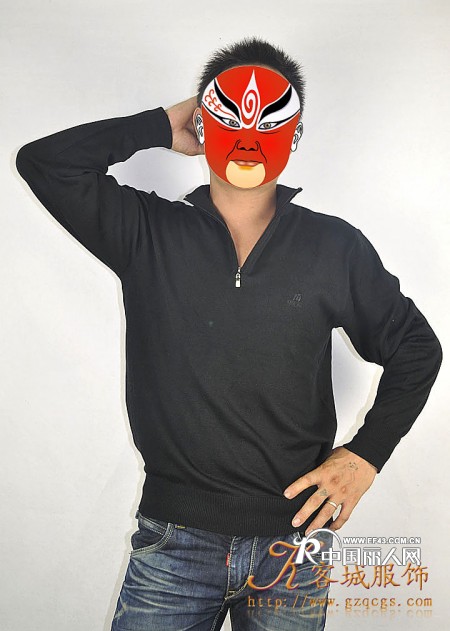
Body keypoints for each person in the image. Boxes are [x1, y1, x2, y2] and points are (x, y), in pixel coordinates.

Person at [15, 37, 442, 631]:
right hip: (174, 543)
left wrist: (366, 456)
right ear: (203, 124)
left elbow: (417, 348)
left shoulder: (334, 247)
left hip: (295, 545)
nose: (247, 140)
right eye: (230, 118)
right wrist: (161, 125)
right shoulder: (147, 232)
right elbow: (44, 162)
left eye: (268, 123)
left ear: (294, 136)